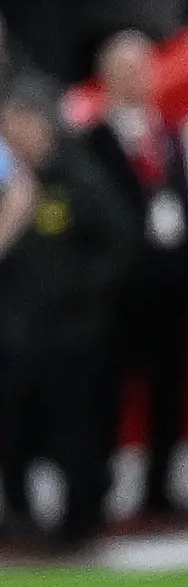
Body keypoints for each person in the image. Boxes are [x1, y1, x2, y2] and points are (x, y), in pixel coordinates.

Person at [0, 82, 140, 549]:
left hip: (74, 334)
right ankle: (20, 514)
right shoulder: (9, 186)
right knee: (17, 433)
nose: (12, 136)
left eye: (17, 125)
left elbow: (121, 241)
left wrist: (80, 291)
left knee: (76, 431)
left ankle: (82, 521)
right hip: (19, 336)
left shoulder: (77, 176)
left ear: (40, 126)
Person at [89, 32, 188, 523]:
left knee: (169, 392)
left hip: (170, 286)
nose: (137, 80)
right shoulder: (95, 142)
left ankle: (159, 490)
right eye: (125, 71)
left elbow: (187, 204)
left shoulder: (170, 135)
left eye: (142, 69)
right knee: (109, 393)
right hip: (121, 291)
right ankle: (97, 492)